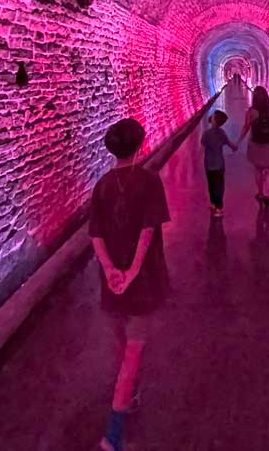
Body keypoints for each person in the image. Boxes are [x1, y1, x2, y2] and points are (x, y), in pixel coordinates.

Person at [89, 118, 171, 451]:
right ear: (140, 145)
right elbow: (148, 231)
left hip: (113, 286)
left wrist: (110, 271)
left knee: (121, 347)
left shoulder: (103, 185)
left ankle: (132, 395)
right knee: (131, 357)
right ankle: (113, 434)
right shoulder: (149, 180)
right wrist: (133, 271)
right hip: (142, 284)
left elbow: (95, 234)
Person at [238, 86, 269, 208]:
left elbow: (246, 127)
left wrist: (238, 141)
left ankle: (261, 193)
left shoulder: (251, 112)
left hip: (256, 144)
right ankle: (267, 193)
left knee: (258, 170)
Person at [200, 110, 235, 216]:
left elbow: (202, 146)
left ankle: (214, 204)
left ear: (214, 121)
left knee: (211, 185)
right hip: (219, 164)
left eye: (213, 116)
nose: (211, 117)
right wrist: (234, 147)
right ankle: (219, 206)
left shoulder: (206, 134)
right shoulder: (221, 133)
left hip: (208, 164)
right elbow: (229, 143)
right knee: (219, 186)